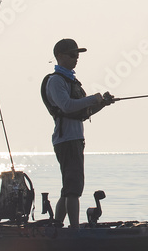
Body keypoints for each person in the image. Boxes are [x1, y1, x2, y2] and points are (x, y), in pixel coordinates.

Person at [41, 38, 114, 229]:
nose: (77, 58)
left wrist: (102, 104)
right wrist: (92, 99)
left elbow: (84, 113)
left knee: (68, 188)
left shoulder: (71, 81)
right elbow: (66, 106)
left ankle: (58, 224)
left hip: (76, 139)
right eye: (73, 54)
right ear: (59, 56)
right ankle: (74, 230)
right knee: (74, 189)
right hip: (66, 140)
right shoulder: (56, 81)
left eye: (78, 54)